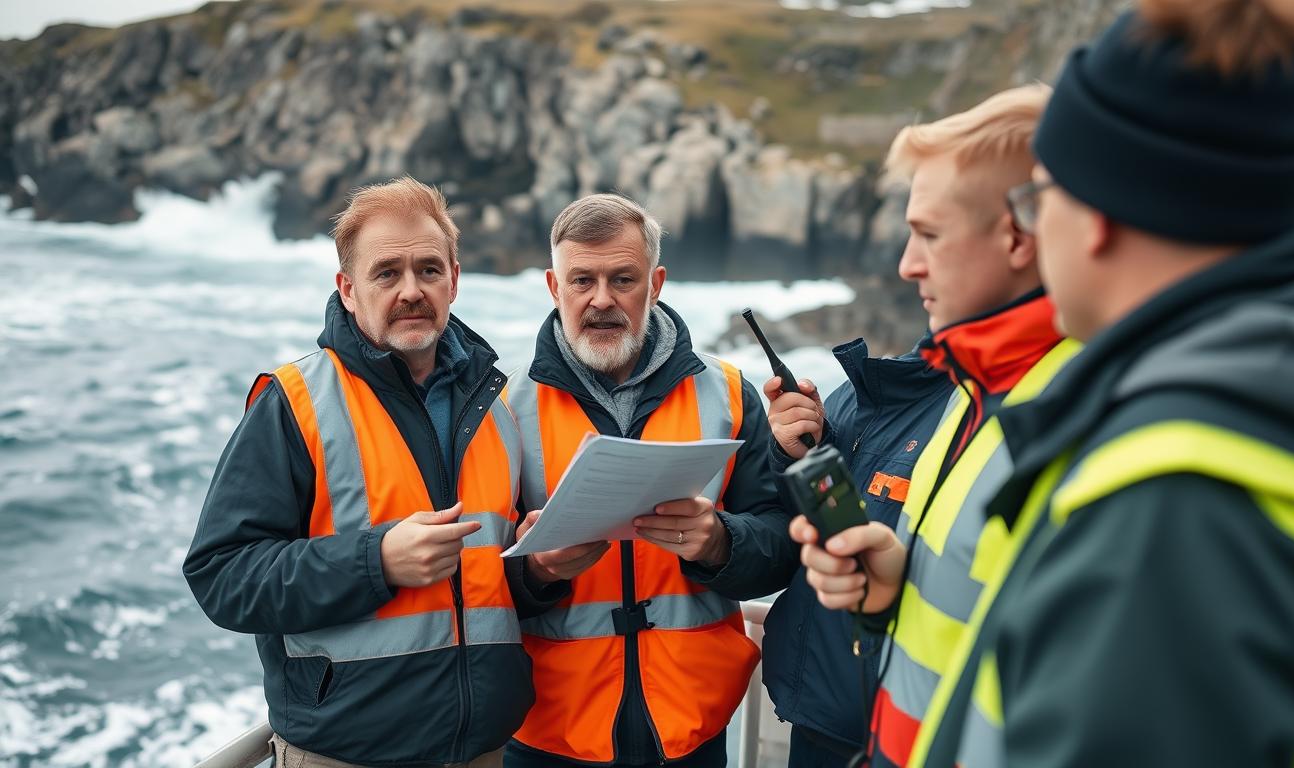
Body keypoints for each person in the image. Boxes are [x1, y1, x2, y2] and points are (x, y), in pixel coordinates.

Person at [815, 1, 1294, 765]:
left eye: (1043, 199)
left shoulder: (1175, 506)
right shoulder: (1247, 400)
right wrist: (905, 590)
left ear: (1096, 215)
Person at [183, 176, 597, 767]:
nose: (411, 290)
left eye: (429, 270)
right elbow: (220, 577)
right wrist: (376, 562)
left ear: (454, 279)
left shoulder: (497, 412)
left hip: (483, 752)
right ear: (348, 290)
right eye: (387, 273)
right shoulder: (295, 402)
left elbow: (484, 593)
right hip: (347, 755)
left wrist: (538, 572)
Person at [785, 85, 1082, 768]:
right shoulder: (970, 388)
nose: (905, 264)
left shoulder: (1076, 414)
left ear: (1016, 235)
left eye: (929, 235)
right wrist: (893, 590)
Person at [504, 193, 794, 768]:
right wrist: (533, 570)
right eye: (581, 280)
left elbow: (782, 546)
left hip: (692, 730)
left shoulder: (731, 393)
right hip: (548, 733)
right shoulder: (502, 408)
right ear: (553, 287)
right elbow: (468, 577)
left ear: (656, 283)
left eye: (623, 279)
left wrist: (720, 543)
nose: (602, 299)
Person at [760, 329, 953, 764]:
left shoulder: (991, 410)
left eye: (934, 252)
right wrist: (797, 455)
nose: (912, 265)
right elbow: (808, 529)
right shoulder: (861, 390)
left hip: (907, 738)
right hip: (814, 715)